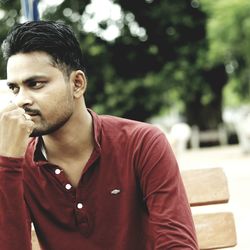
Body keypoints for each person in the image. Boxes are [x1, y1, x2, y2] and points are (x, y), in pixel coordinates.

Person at [0, 21, 198, 250]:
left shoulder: (142, 143)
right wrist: (6, 164)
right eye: (14, 88)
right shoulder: (15, 163)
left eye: (35, 84)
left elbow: (178, 245)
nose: (21, 100)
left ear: (77, 84)